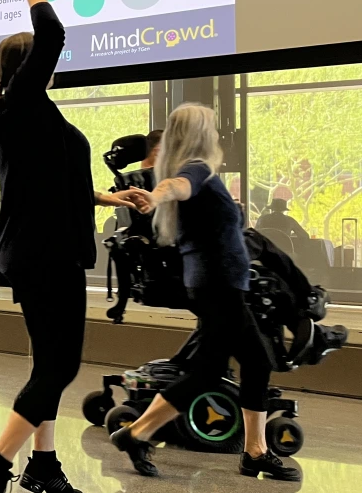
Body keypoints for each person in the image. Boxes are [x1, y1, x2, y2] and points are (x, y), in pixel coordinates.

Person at [0, 0, 139, 493]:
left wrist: (109, 195)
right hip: (45, 254)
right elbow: (54, 33)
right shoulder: (25, 104)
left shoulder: (31, 117)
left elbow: (50, 184)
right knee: (59, 368)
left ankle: (42, 465)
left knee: (49, 364)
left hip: (43, 249)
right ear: (30, 66)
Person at [111, 104, 300, 482]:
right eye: (212, 128)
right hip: (217, 285)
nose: (217, 135)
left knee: (255, 363)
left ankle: (255, 452)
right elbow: (176, 187)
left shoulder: (193, 169)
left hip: (218, 283)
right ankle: (136, 434)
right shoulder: (196, 168)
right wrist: (157, 196)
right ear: (199, 135)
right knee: (207, 371)